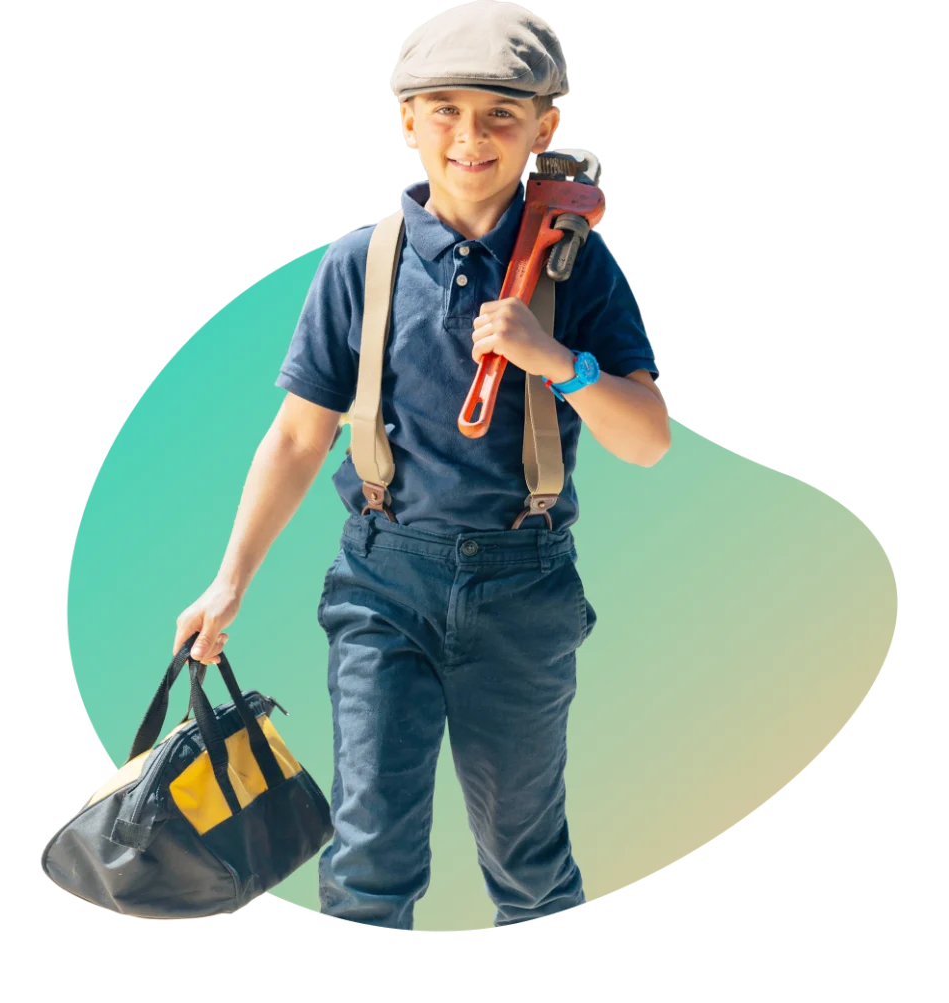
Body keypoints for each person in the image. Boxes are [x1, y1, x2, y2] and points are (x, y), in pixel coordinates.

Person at [173, 0, 669, 931]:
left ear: (545, 129)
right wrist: (228, 582)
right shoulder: (360, 265)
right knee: (368, 859)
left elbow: (646, 439)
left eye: (500, 115)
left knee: (526, 859)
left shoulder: (578, 267)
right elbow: (298, 437)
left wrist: (557, 361)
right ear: (408, 121)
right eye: (445, 111)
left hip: (524, 586)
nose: (470, 137)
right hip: (381, 581)